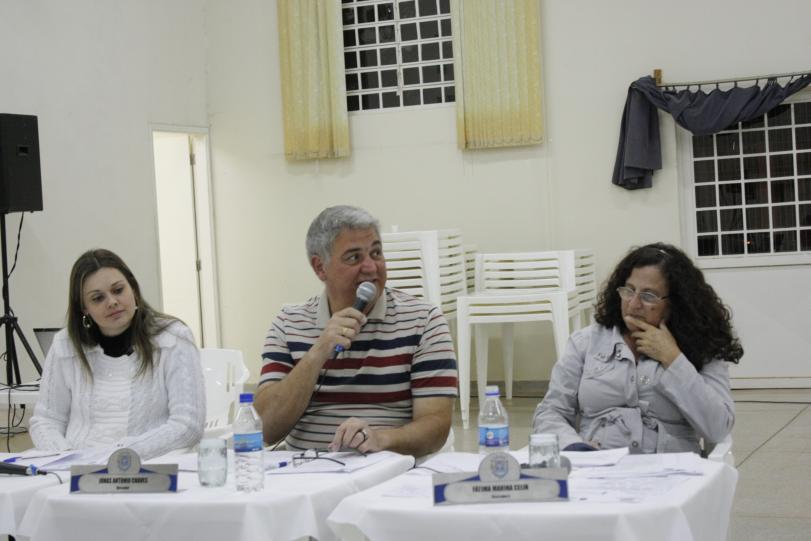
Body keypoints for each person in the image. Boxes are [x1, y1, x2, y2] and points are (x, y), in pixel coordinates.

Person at [255, 205, 458, 457]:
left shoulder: (424, 321)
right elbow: (265, 429)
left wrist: (380, 438)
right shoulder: (288, 323)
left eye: (376, 253)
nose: (371, 267)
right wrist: (318, 352)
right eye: (354, 258)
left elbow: (436, 426)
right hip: (305, 470)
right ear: (320, 267)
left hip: (389, 469)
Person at [533, 243, 743, 454]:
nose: (633, 304)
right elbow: (551, 412)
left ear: (676, 303)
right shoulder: (585, 342)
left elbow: (718, 428)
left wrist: (673, 358)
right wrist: (576, 447)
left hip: (671, 468)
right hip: (597, 465)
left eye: (648, 296)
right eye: (629, 291)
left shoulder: (701, 344)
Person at [30, 249, 206, 460]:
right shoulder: (65, 345)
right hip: (74, 469)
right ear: (84, 309)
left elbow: (188, 425)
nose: (112, 302)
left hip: (148, 467)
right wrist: (66, 459)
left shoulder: (173, 338)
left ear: (133, 288)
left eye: (118, 290)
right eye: (98, 298)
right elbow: (46, 420)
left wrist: (121, 455)